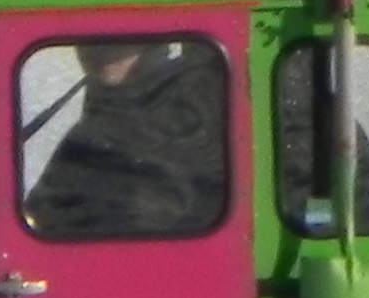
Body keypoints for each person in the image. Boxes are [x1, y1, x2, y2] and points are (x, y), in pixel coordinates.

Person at [22, 39, 228, 239]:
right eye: (87, 42)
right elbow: (46, 212)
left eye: (115, 41)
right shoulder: (97, 126)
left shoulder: (190, 108)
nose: (94, 50)